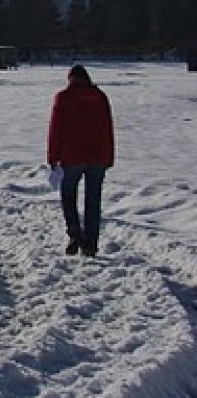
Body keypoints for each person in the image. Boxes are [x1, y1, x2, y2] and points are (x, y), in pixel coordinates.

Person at [47, 64, 115, 257]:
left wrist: (53, 156)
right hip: (98, 156)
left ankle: (75, 232)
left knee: (68, 196)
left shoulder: (63, 97)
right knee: (93, 200)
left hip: (72, 155)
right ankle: (90, 245)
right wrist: (109, 156)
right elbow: (107, 128)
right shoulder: (100, 97)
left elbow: (55, 129)